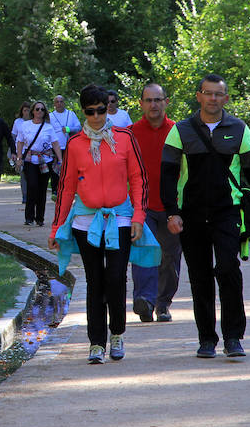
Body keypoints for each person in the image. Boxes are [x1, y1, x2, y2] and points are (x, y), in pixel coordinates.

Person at [160, 74, 250, 359]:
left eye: (218, 94)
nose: (213, 98)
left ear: (225, 98)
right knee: (200, 277)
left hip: (227, 212)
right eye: (208, 93)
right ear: (198, 96)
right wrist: (172, 213)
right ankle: (206, 339)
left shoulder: (238, 128)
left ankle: (234, 337)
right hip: (192, 214)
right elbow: (167, 174)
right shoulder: (181, 130)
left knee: (228, 270)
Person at [50, 84, 149, 364]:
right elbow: (66, 188)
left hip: (120, 218)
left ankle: (116, 333)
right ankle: (96, 343)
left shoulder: (125, 138)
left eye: (101, 110)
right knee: (95, 281)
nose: (96, 117)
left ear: (108, 108)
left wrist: (139, 217)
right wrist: (57, 227)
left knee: (115, 278)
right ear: (83, 111)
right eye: (90, 112)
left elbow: (139, 179)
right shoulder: (75, 144)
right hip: (85, 221)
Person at [130, 83, 181, 322]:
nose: (153, 105)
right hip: (142, 206)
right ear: (141, 104)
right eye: (148, 100)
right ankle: (145, 300)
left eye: (157, 100)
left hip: (173, 207)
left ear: (166, 102)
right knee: (144, 252)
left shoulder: (178, 132)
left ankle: (162, 304)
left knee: (170, 257)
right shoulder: (130, 134)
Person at [15, 101, 62, 226]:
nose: (39, 111)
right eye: (37, 109)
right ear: (33, 111)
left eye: (42, 109)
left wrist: (60, 159)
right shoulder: (25, 125)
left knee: (42, 189)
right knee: (32, 186)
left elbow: (55, 143)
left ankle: (40, 218)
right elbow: (19, 142)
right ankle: (29, 217)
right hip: (30, 160)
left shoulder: (48, 127)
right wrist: (19, 157)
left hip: (45, 161)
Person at [48, 95, 82, 198]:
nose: (59, 104)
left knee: (68, 169)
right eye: (57, 102)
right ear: (54, 104)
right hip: (54, 147)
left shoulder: (70, 114)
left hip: (68, 146)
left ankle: (68, 189)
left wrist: (68, 129)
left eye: (61, 101)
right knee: (54, 169)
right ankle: (55, 190)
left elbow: (79, 127)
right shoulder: (50, 116)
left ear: (64, 103)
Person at [10, 101, 32, 203]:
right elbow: (13, 137)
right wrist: (12, 151)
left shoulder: (35, 121)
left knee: (32, 174)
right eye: (25, 110)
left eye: (28, 110)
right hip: (21, 152)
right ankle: (25, 195)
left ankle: (32, 195)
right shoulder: (18, 122)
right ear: (22, 111)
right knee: (23, 173)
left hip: (32, 152)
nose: (26, 112)